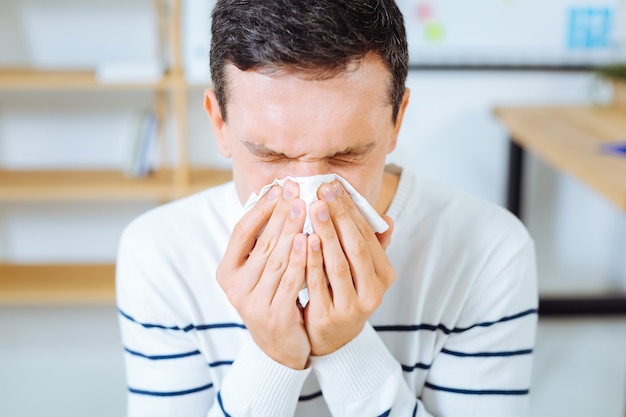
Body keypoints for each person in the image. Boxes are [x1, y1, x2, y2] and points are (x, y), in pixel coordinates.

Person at [116, 0, 538, 416]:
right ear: (219, 125)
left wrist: (346, 347)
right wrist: (272, 356)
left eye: (347, 155)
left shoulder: (489, 250)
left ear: (396, 121)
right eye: (271, 156)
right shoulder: (160, 254)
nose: (310, 196)